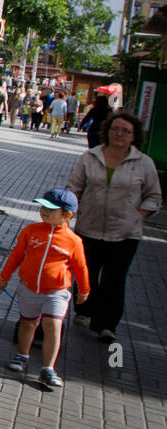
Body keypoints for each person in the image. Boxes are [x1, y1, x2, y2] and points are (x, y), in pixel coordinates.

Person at [66, 111, 162, 342]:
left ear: (134, 136)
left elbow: (154, 196)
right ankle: (84, 309)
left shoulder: (143, 163)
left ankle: (107, 325)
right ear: (107, 132)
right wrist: (66, 212)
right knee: (86, 273)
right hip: (88, 227)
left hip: (125, 233)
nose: (119, 134)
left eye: (125, 131)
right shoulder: (90, 157)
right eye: (115, 129)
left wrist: (137, 215)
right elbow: (74, 188)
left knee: (115, 279)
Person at [0, 187, 90, 388]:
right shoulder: (30, 231)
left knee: (52, 326)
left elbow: (80, 267)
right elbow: (16, 255)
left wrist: (84, 289)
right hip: (29, 288)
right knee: (28, 324)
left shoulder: (74, 241)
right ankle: (22, 355)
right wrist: (4, 276)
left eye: (51, 209)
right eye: (42, 207)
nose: (44, 211)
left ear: (68, 215)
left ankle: (48, 368)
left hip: (57, 292)